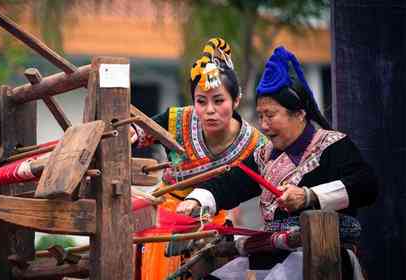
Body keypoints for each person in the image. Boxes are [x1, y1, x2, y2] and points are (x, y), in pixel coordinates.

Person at [177, 46, 378, 279]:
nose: (263, 125)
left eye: (270, 115)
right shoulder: (264, 156)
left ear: (299, 114)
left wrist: (308, 195)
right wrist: (195, 200)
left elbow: (366, 186)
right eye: (260, 116)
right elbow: (229, 184)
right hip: (272, 252)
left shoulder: (333, 146)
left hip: (323, 255)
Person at [131, 37, 266, 280]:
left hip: (215, 218)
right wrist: (131, 133)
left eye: (219, 100)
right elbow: (141, 133)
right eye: (201, 101)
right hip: (168, 214)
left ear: (236, 100)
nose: (209, 110)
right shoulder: (177, 119)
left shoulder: (255, 144)